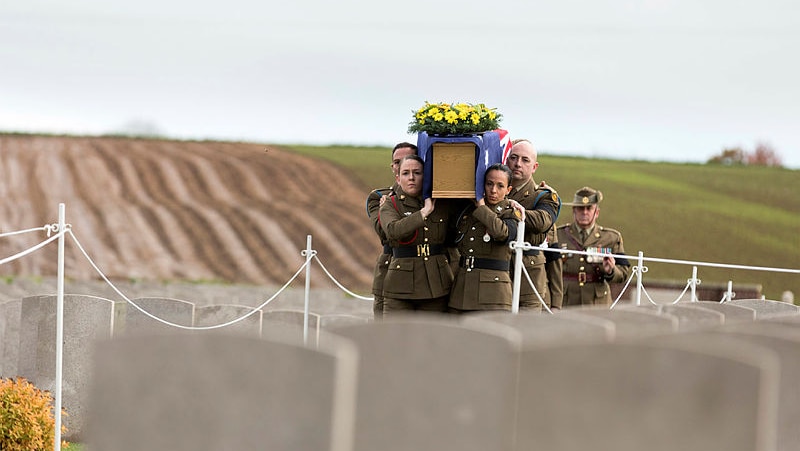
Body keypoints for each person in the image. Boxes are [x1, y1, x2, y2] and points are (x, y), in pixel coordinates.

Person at [379, 155, 457, 313]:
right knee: (396, 335)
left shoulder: (441, 204)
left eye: (417, 173)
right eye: (406, 173)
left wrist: (507, 201)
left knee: (432, 336)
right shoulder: (390, 204)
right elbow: (393, 231)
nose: (411, 178)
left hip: (436, 282)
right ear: (398, 178)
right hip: (401, 284)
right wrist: (423, 213)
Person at [448, 164, 522, 312]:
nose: (493, 190)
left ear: (508, 190)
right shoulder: (468, 210)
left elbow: (502, 233)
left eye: (500, 186)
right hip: (462, 288)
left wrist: (482, 207)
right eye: (489, 184)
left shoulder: (511, 212)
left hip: (493, 293)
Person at [506, 139, 562, 311]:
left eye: (525, 160)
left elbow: (541, 221)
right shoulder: (493, 190)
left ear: (534, 167)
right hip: (497, 277)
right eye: (513, 158)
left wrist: (504, 208)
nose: (517, 164)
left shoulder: (543, 196)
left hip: (528, 279)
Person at [366, 142, 418, 318]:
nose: (401, 165)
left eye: (408, 159)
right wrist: (390, 204)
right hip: (391, 270)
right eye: (397, 162)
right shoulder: (381, 197)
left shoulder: (427, 199)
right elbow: (385, 233)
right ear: (392, 167)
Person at [556, 186, 631, 306]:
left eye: (589, 208)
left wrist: (611, 270)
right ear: (574, 211)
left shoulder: (611, 238)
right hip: (566, 301)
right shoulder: (558, 235)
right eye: (580, 208)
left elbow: (623, 274)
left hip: (597, 302)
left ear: (597, 212)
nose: (584, 212)